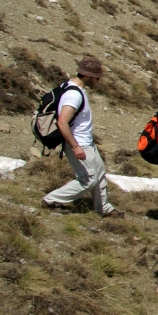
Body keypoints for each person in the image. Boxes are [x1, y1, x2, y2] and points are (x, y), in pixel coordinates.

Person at [43, 57, 121, 217]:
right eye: (96, 77)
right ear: (87, 76)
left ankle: (103, 208)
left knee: (99, 172)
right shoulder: (74, 95)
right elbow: (62, 123)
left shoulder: (71, 87)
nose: (98, 81)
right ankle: (51, 199)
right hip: (79, 143)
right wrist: (75, 146)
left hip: (86, 142)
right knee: (88, 179)